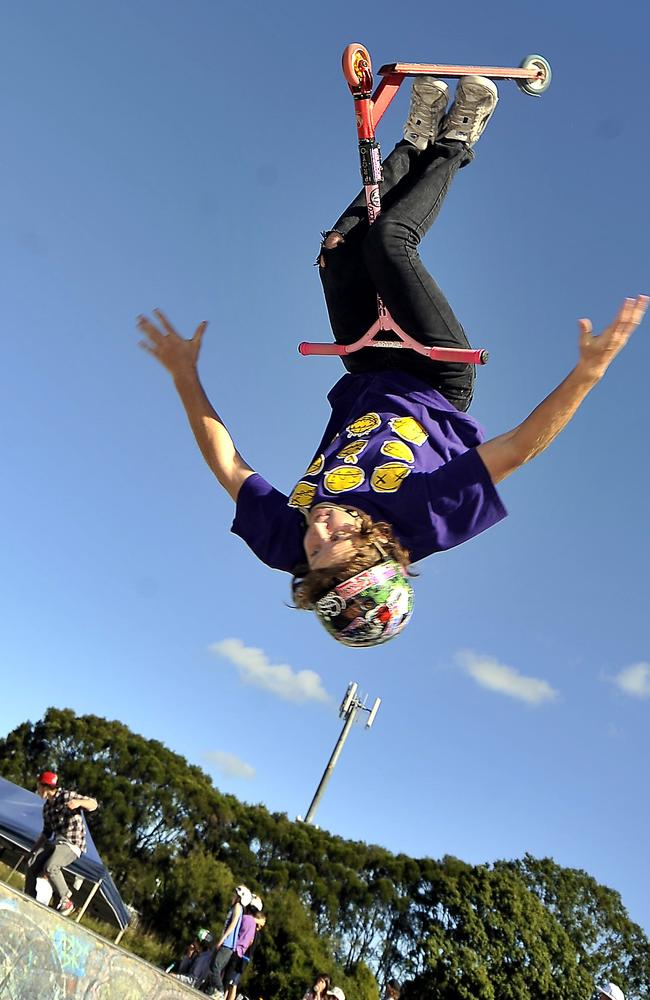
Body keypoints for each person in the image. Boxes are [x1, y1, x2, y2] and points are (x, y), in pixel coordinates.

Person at [138, 75, 647, 648]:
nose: (320, 529)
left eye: (313, 549)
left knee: (337, 252)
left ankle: (413, 141)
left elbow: (229, 466)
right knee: (388, 246)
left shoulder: (286, 542)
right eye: (337, 540)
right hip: (436, 378)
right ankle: (457, 140)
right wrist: (586, 376)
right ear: (377, 542)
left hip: (367, 368)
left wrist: (185, 376)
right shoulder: (422, 517)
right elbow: (517, 448)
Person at [24, 770, 98, 916]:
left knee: (51, 866)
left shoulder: (67, 796)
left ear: (44, 786)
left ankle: (66, 901)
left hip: (73, 844)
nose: (37, 790)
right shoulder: (47, 808)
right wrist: (32, 851)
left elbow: (93, 804)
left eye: (38, 787)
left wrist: (78, 802)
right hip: (57, 842)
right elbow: (46, 834)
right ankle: (28, 898)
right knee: (31, 864)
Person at [203, 884, 252, 998]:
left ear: (241, 898)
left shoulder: (238, 908)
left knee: (215, 967)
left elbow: (233, 924)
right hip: (226, 943)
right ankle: (211, 991)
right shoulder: (234, 908)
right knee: (212, 966)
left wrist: (222, 939)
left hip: (228, 944)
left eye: (236, 894)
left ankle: (219, 991)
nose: (233, 896)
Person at [223, 898, 266, 1000]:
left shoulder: (252, 930)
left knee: (232, 983)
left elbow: (249, 942)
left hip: (242, 957)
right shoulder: (258, 934)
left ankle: (223, 997)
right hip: (245, 959)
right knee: (233, 983)